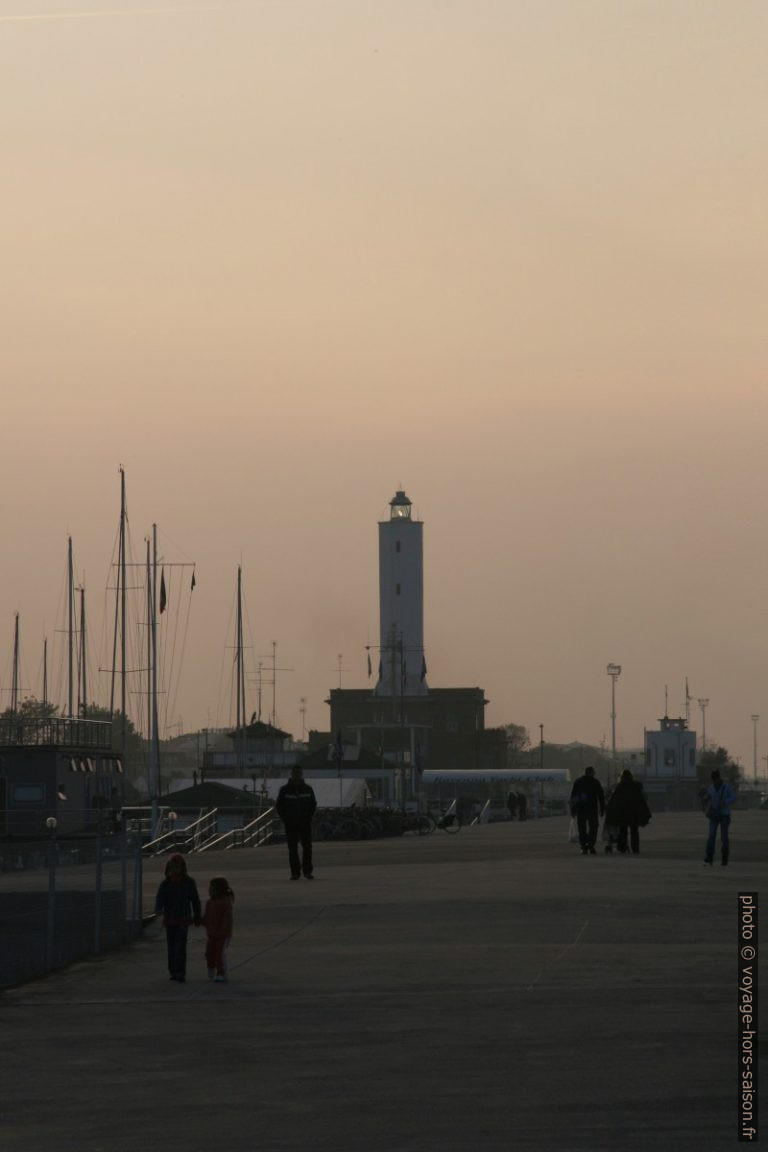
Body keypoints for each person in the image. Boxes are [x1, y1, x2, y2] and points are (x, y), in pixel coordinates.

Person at [155, 853, 202, 983]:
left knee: (180, 946)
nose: (174, 870)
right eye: (172, 867)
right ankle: (173, 971)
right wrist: (158, 909)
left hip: (183, 918)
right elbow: (160, 898)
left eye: (177, 867)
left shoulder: (189, 883)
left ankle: (180, 972)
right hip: (170, 919)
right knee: (171, 947)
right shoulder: (165, 884)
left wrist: (197, 916)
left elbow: (195, 900)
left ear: (182, 868)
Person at [276, 765, 317, 879]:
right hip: (291, 824)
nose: (297, 775)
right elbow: (279, 806)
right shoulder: (284, 790)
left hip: (305, 823)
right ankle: (295, 873)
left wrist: (309, 817)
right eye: (295, 773)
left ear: (301, 774)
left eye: (299, 773)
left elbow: (313, 804)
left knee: (307, 848)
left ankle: (307, 871)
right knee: (292, 849)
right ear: (292, 774)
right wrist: (286, 819)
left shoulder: (308, 789)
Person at [605, 769, 651, 855]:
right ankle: (635, 848)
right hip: (633, 813)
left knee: (623, 831)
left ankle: (622, 847)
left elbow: (615, 800)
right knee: (634, 831)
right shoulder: (636, 786)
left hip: (622, 813)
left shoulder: (620, 786)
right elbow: (641, 799)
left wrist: (609, 809)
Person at [203, 876, 234, 982]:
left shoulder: (226, 903)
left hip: (222, 935)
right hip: (212, 934)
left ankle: (221, 972)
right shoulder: (209, 903)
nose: (209, 890)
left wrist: (222, 931)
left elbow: (227, 920)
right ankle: (211, 967)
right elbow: (206, 917)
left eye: (211, 888)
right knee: (209, 953)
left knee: (220, 954)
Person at [569, 765, 605, 854]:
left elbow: (573, 796)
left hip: (581, 809)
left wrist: (573, 810)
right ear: (592, 773)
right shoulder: (595, 782)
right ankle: (591, 845)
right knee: (593, 827)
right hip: (592, 808)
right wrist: (602, 809)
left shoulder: (578, 781)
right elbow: (601, 796)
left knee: (582, 828)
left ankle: (583, 846)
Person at [704, 768, 736, 866]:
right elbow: (708, 798)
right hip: (714, 815)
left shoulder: (727, 787)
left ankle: (724, 858)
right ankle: (709, 856)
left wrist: (725, 802)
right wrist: (705, 798)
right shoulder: (711, 788)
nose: (713, 782)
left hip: (724, 815)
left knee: (724, 837)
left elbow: (733, 798)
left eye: (714, 780)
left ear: (718, 778)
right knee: (711, 836)